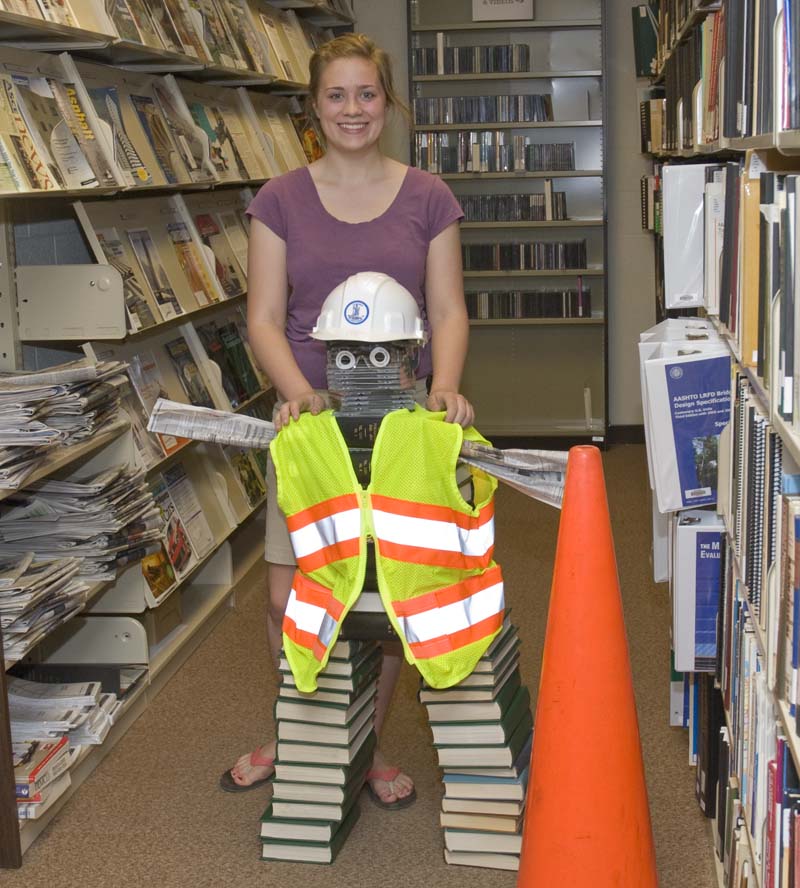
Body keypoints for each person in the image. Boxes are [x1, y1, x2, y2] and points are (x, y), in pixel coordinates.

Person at [221, 32, 474, 807]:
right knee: (286, 594)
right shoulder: (280, 199)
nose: (353, 109)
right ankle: (298, 731)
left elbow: (448, 309)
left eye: (367, 93)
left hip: (399, 429)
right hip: (310, 428)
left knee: (382, 598)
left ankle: (360, 744)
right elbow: (264, 316)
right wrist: (298, 393)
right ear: (313, 106)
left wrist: (446, 393)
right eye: (337, 95)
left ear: (386, 101)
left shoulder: (429, 196)